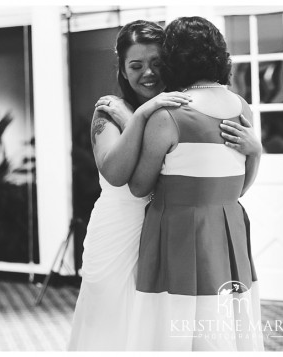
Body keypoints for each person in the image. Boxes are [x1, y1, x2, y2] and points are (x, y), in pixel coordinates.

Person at [68, 20, 260, 351]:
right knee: (111, 330)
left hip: (168, 235)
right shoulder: (109, 112)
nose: (148, 73)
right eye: (136, 65)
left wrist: (254, 150)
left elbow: (195, 174)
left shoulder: (179, 109)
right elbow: (118, 175)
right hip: (120, 233)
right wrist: (139, 116)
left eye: (157, 62)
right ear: (123, 70)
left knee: (159, 329)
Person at [126, 16, 263, 350]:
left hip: (179, 232)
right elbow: (240, 187)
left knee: (177, 324)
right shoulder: (242, 108)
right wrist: (257, 151)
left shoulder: (168, 115)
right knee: (224, 324)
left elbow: (139, 186)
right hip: (228, 227)